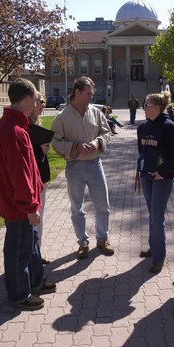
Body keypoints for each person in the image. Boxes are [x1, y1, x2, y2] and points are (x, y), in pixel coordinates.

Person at [0, 78, 56, 311]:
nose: (38, 103)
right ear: (27, 99)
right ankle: (19, 294)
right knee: (18, 251)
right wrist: (30, 207)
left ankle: (35, 282)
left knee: (31, 245)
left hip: (24, 203)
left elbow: (28, 168)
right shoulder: (13, 129)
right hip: (19, 206)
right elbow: (19, 174)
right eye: (36, 99)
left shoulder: (17, 125)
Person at [51, 76, 114, 259]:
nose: (90, 98)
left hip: (95, 164)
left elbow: (106, 132)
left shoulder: (95, 112)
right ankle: (82, 242)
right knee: (77, 208)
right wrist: (74, 147)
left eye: (92, 94)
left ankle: (103, 239)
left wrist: (97, 142)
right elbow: (55, 142)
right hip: (74, 166)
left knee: (103, 205)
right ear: (77, 92)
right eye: (88, 94)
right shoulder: (62, 117)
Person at [137, 91, 174, 273]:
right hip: (146, 176)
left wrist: (162, 171)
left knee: (157, 217)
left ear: (156, 107)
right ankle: (154, 246)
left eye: (146, 105)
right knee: (152, 214)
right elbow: (142, 150)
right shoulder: (143, 127)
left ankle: (158, 257)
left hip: (162, 179)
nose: (143, 108)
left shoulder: (169, 127)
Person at [29, 92, 51, 265]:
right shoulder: (25, 126)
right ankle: (33, 256)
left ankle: (37, 252)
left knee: (40, 219)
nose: (43, 104)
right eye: (40, 101)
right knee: (35, 219)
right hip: (31, 183)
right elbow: (25, 157)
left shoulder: (36, 123)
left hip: (40, 179)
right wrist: (40, 151)